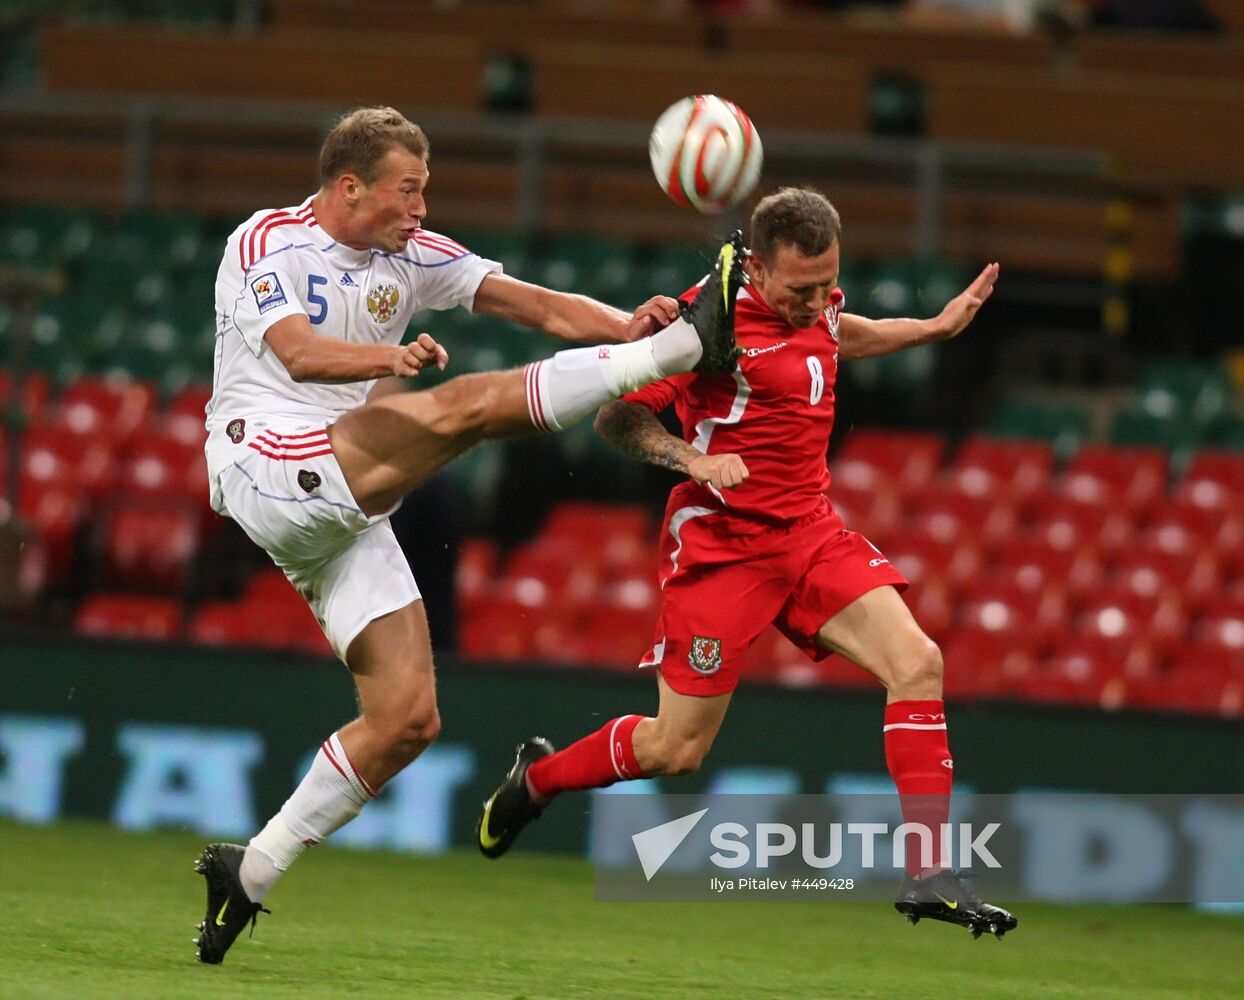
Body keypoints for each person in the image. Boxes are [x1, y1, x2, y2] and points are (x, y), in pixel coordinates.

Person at [193, 105, 744, 965]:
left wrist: (630, 324)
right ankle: (676, 357)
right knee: (462, 411)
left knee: (408, 720)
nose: (421, 207)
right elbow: (298, 354)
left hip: (338, 502)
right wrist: (389, 359)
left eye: (426, 189)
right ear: (349, 186)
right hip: (263, 462)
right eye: (407, 190)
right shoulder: (268, 243)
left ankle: (251, 869)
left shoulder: (412, 254)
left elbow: (538, 305)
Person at [476, 186, 1018, 939]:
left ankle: (928, 875)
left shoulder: (815, 297)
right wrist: (690, 459)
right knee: (677, 748)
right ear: (757, 270)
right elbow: (616, 415)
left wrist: (930, 328)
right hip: (725, 546)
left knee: (918, 663)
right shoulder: (707, 323)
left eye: (827, 284)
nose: (816, 301)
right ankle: (537, 781)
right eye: (799, 290)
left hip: (809, 532)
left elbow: (837, 333)